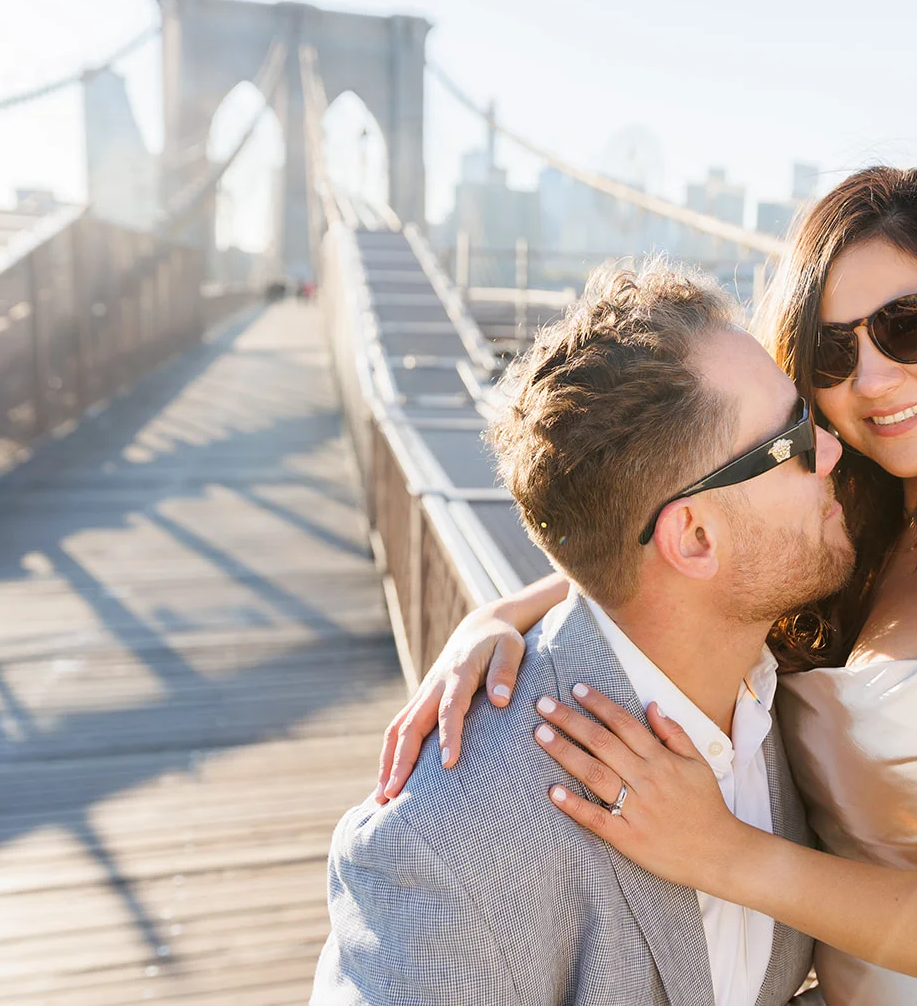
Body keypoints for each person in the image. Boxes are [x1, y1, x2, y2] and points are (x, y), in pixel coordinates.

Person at [374, 167, 917, 1005]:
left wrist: (724, 852)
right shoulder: (855, 530)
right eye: (835, 352)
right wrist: (500, 614)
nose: (873, 382)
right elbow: (671, 547)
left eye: (913, 327)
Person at [314, 260, 845, 1005]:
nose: (832, 451)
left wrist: (498, 611)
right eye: (792, 440)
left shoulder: (785, 684)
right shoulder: (442, 847)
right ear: (694, 537)